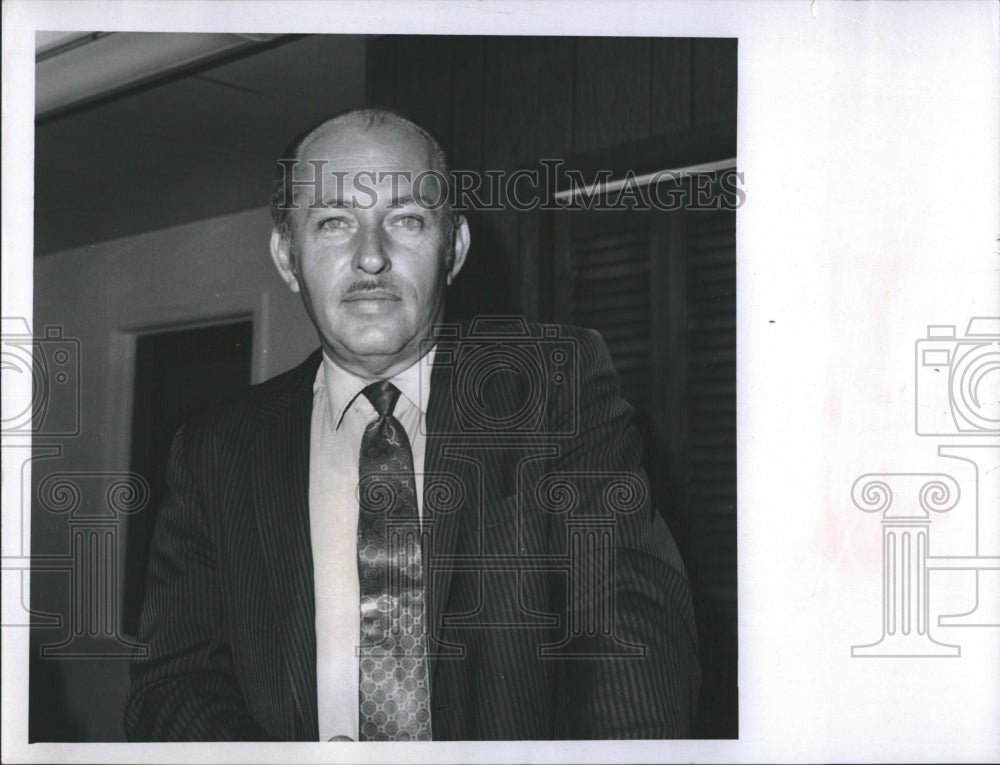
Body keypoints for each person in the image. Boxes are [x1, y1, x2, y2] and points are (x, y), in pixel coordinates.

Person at [123, 108, 700, 741]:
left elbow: (633, 653)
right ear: (288, 257)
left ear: (453, 249)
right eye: (335, 221)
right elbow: (175, 681)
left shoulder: (555, 394)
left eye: (407, 219)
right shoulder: (215, 450)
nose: (371, 257)